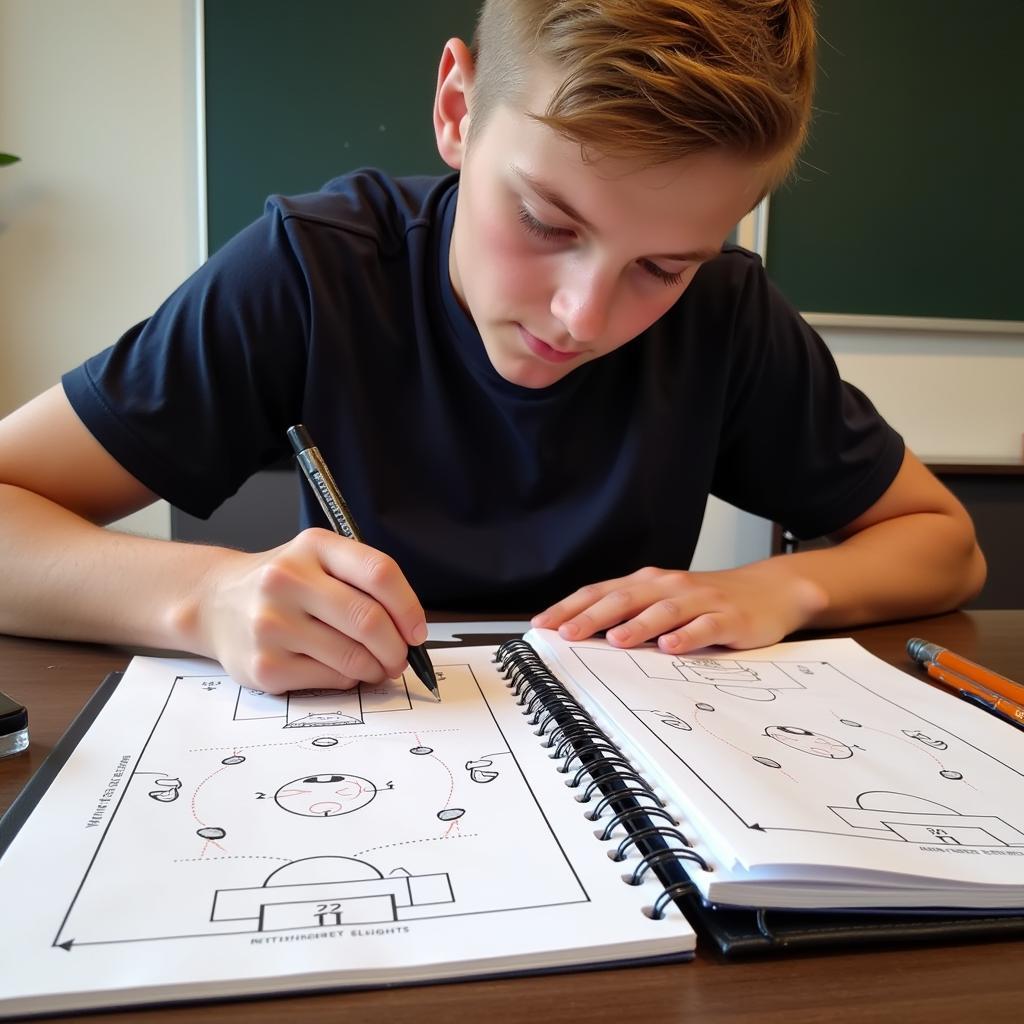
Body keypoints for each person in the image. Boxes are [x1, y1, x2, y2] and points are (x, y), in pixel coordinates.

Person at [0, 0, 984, 695]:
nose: (581, 317)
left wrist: (777, 586)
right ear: (457, 111)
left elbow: (943, 545)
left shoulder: (727, 317)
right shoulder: (309, 270)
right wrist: (202, 597)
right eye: (546, 222)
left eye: (663, 266)